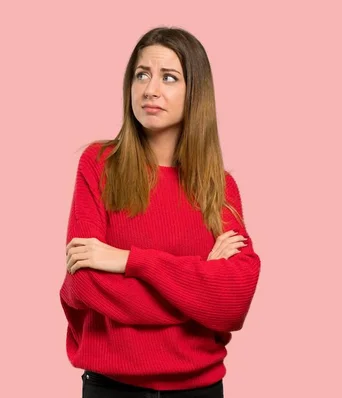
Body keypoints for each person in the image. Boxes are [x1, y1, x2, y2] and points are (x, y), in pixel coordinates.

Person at [59, 26, 261, 398]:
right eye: (141, 75)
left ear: (194, 92)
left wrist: (128, 261)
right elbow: (84, 284)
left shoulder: (219, 187)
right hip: (111, 389)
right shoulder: (98, 165)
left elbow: (233, 302)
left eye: (169, 77)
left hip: (198, 390)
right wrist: (199, 297)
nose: (150, 89)